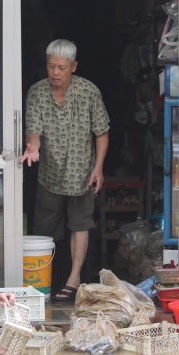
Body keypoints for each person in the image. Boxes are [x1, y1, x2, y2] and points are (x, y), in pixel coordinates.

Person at [20, 39, 110, 303]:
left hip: (83, 174)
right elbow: (34, 131)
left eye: (61, 67)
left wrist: (98, 168)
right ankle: (43, 281)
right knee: (45, 230)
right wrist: (32, 148)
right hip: (50, 174)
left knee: (80, 224)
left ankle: (73, 279)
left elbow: (102, 132)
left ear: (73, 66)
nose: (55, 73)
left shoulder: (88, 91)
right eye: (51, 67)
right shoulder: (37, 93)